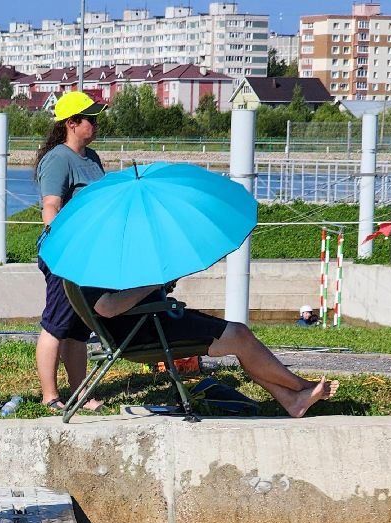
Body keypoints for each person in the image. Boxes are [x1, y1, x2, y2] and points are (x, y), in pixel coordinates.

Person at [87, 283, 338, 418]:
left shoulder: (95, 258)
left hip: (150, 323)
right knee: (239, 335)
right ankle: (299, 388)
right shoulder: (91, 264)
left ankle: (293, 399)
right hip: (146, 331)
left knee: (240, 337)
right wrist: (152, 286)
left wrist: (159, 288)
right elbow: (107, 307)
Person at [34, 90, 106, 413]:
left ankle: (78, 393)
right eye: (90, 118)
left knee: (79, 329)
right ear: (72, 123)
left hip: (89, 255)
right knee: (56, 324)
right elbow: (51, 205)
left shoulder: (91, 159)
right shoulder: (58, 159)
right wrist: (61, 248)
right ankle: (50, 395)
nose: (95, 123)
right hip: (66, 255)